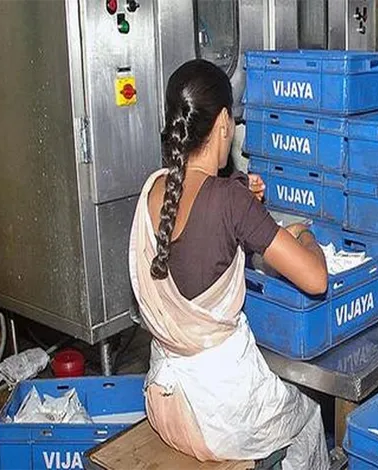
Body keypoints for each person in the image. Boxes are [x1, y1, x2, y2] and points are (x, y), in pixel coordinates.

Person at [128, 59, 329, 469]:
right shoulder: (230, 200)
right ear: (223, 122)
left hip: (165, 404)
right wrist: (304, 237)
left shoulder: (154, 189)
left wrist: (243, 210)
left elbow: (201, 237)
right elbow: (316, 280)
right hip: (219, 417)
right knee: (309, 414)